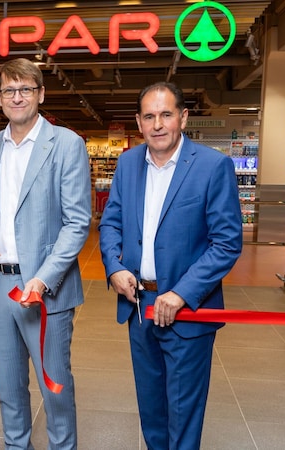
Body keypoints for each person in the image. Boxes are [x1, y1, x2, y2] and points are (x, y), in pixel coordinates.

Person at [98, 81, 243, 449]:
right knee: (152, 411)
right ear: (139, 121)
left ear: (183, 116)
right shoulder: (128, 163)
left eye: (166, 114)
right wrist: (114, 267)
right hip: (139, 307)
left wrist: (181, 293)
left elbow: (227, 243)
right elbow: (111, 221)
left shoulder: (212, 166)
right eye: (149, 116)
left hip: (188, 313)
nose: (158, 124)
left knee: (184, 415)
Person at [0, 58, 92, 449]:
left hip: (44, 290)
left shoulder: (67, 144)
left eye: (25, 89)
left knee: (55, 387)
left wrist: (43, 278)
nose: (16, 97)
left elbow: (77, 222)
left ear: (40, 94)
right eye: (8, 90)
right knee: (9, 387)